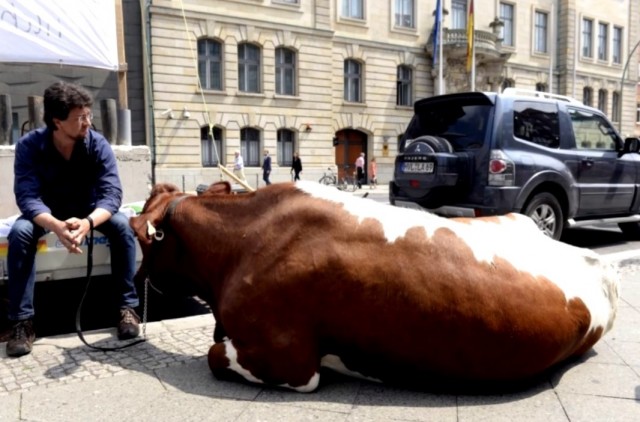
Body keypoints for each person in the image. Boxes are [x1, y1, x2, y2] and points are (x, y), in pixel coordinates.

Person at [5, 81, 141, 358]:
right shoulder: (29, 146)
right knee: (19, 233)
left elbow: (112, 193)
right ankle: (22, 322)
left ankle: (127, 308)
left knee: (121, 228)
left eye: (89, 115)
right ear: (57, 122)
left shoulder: (96, 143)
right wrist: (55, 224)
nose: (87, 123)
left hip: (89, 210)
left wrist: (88, 222)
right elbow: (27, 197)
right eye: (80, 118)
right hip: (46, 212)